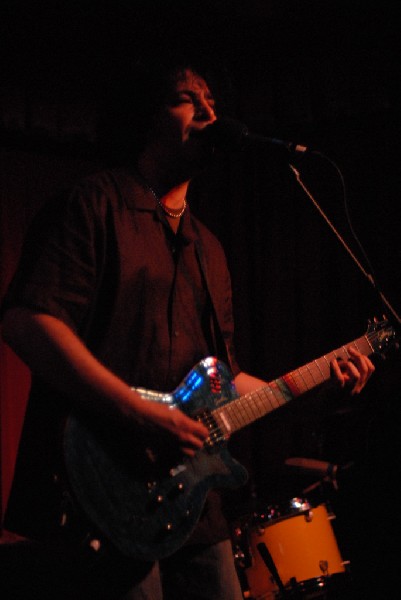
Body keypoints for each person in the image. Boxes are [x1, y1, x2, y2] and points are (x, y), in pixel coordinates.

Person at [1, 54, 375, 599]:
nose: (207, 109)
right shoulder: (92, 206)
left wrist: (314, 390)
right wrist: (138, 413)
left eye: (213, 102)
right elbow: (27, 320)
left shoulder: (210, 250)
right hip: (101, 494)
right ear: (149, 118)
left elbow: (226, 378)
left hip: (194, 508)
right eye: (186, 98)